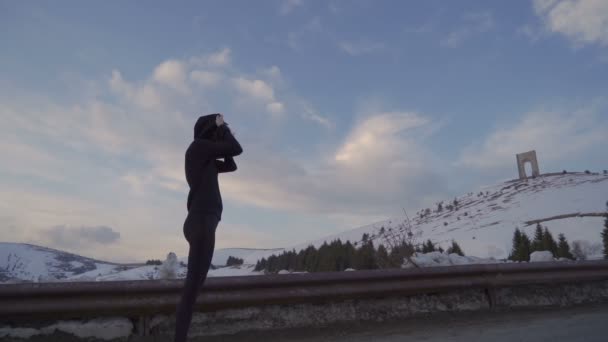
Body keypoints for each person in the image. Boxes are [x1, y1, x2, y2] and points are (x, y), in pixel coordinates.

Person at [174, 113, 243, 342]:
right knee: (191, 292)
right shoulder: (198, 147)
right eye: (217, 130)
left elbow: (231, 163)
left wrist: (222, 135)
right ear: (208, 131)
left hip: (202, 221)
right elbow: (236, 148)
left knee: (193, 289)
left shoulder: (206, 159)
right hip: (201, 220)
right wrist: (222, 129)